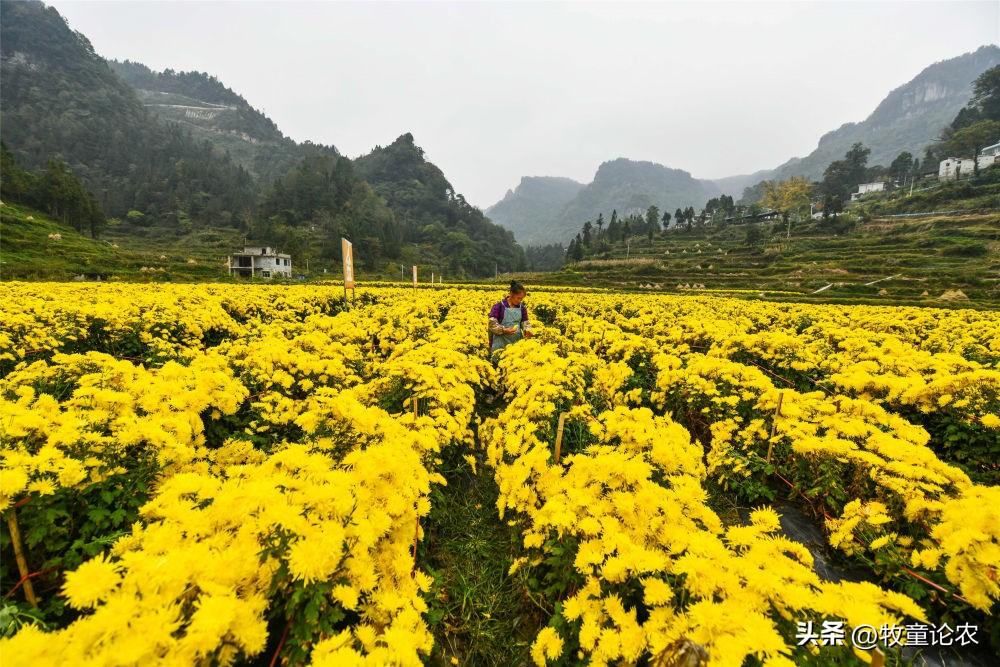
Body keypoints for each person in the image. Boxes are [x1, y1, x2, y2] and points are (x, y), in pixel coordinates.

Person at [487, 280, 534, 355]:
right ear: (511, 294)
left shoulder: (522, 308)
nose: (519, 301)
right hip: (500, 343)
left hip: (516, 343)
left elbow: (525, 323)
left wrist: (527, 330)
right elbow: (491, 324)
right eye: (518, 298)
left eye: (521, 299)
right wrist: (504, 330)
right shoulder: (499, 306)